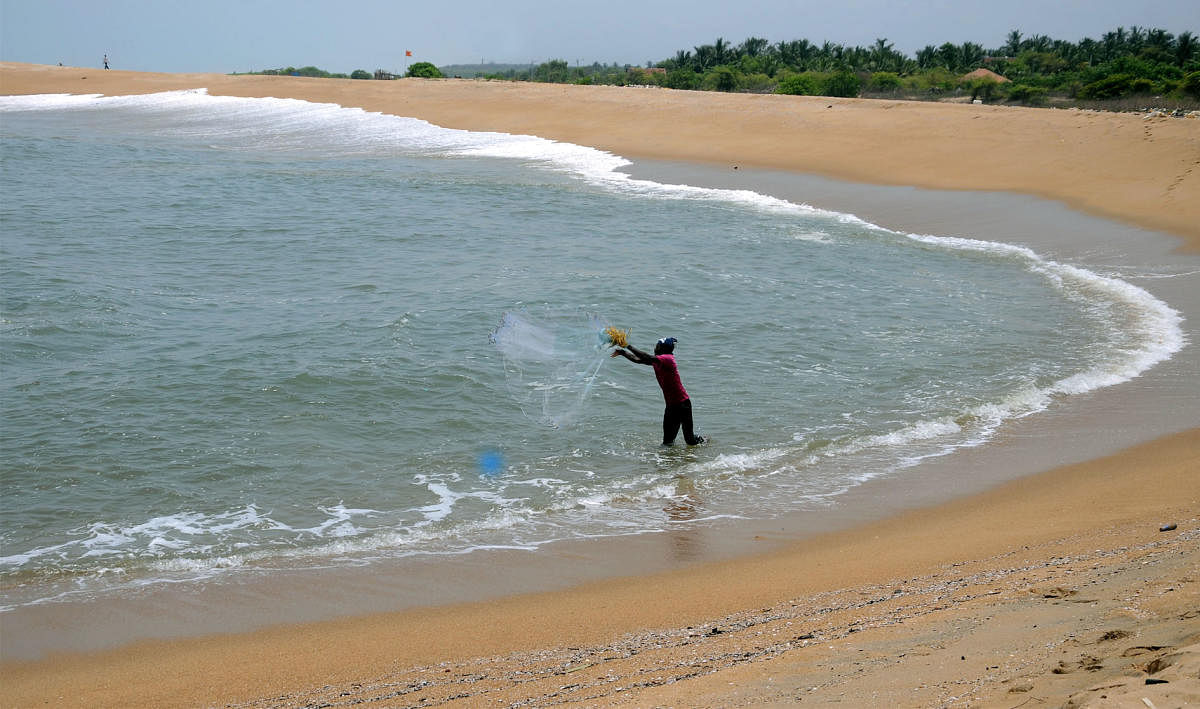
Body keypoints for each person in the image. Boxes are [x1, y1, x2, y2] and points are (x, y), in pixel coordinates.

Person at [611, 337, 705, 446]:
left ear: (662, 348)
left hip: (683, 405)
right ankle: (669, 462)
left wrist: (627, 345)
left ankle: (705, 441)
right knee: (667, 442)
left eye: (657, 345)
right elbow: (638, 360)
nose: (655, 347)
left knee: (690, 441)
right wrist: (623, 352)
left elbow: (646, 356)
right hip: (671, 406)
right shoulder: (658, 361)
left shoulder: (668, 359)